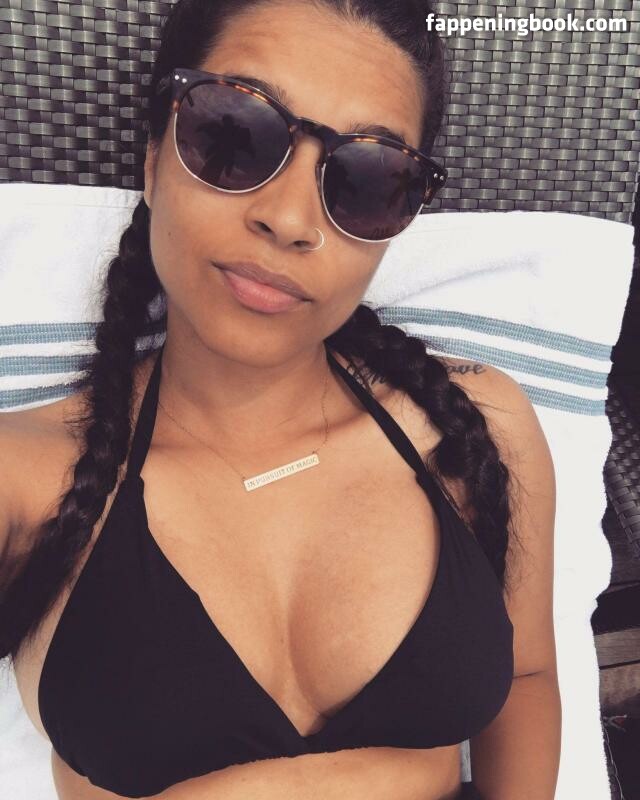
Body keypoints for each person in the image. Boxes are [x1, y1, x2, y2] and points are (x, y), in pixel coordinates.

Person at [0, 1, 561, 798]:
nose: (291, 220)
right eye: (234, 134)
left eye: (369, 180)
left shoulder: (476, 425)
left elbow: (528, 673)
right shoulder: (24, 478)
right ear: (154, 158)